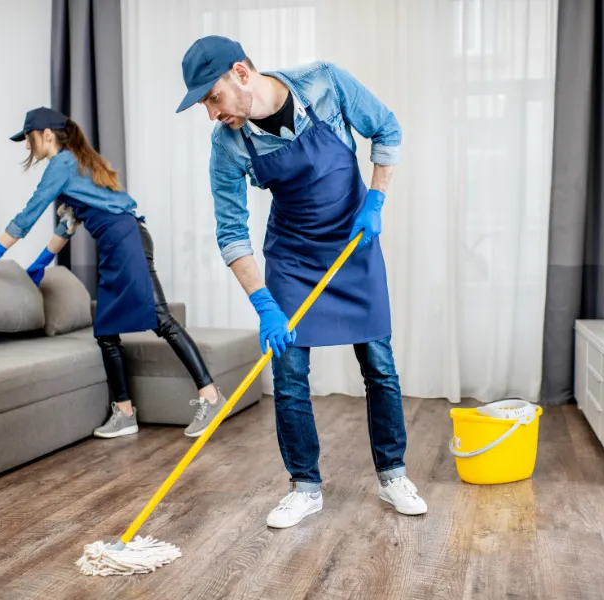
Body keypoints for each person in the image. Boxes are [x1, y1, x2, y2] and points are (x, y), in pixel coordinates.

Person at [176, 36, 428, 528]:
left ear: (241, 74)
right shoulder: (229, 144)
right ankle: (305, 486)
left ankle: (393, 474)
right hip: (292, 256)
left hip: (354, 245)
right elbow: (231, 232)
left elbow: (387, 128)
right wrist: (265, 303)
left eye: (212, 98)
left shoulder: (324, 84)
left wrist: (375, 201)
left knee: (379, 363)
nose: (211, 114)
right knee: (289, 374)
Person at [0, 107, 227, 439]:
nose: (28, 147)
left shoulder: (62, 163)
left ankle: (211, 396)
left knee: (161, 319)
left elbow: (28, 215)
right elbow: (68, 223)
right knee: (105, 331)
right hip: (120, 242)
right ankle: (125, 412)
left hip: (124, 241)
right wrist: (41, 262)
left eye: (28, 139)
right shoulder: (76, 164)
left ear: (45, 134)